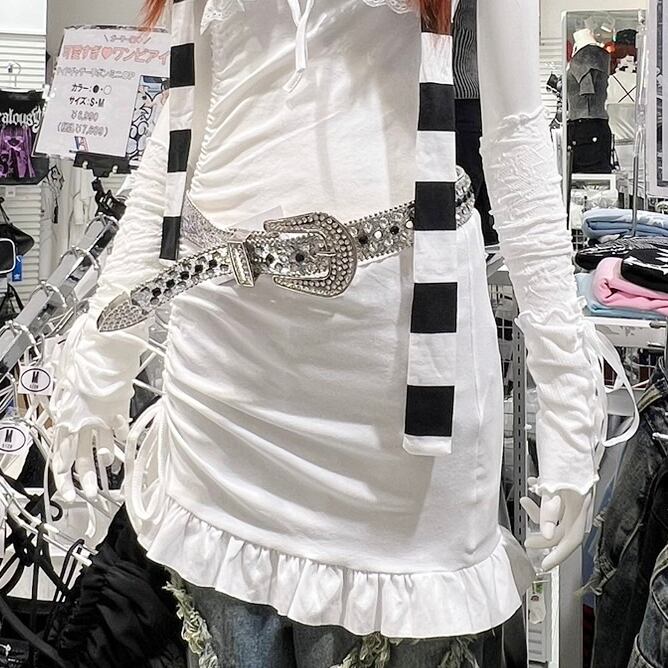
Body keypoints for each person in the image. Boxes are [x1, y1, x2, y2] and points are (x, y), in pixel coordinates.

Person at [50, 0, 610, 664]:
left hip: (396, 379)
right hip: (221, 372)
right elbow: (180, 129)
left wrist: (567, 395)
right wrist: (103, 354)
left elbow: (514, 138)